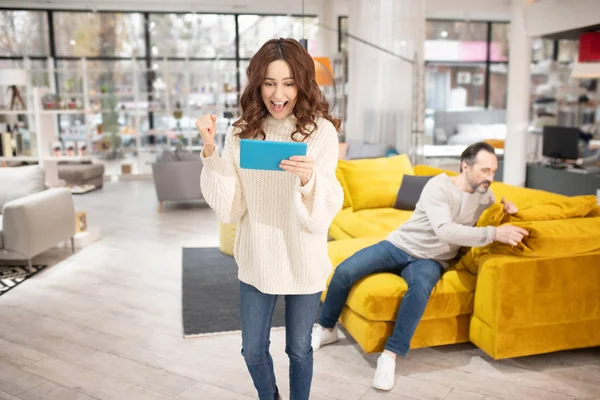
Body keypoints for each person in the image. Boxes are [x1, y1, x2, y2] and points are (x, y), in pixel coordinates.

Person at [312, 142, 529, 391]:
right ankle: (326, 328)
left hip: (432, 259)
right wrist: (493, 233)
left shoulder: (486, 196)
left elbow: (494, 213)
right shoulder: (439, 186)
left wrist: (509, 210)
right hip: (400, 245)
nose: (490, 177)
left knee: (419, 291)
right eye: (485, 170)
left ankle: (390, 355)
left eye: (493, 171)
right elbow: (445, 230)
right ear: (465, 166)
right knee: (344, 271)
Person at [195, 38, 344, 400]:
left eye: (289, 83)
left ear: (303, 84)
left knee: (299, 349)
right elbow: (232, 206)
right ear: (257, 84)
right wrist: (211, 151)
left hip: (303, 257)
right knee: (253, 350)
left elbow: (324, 212)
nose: (279, 94)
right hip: (258, 255)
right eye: (270, 83)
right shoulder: (241, 130)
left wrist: (309, 179)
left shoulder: (321, 132)